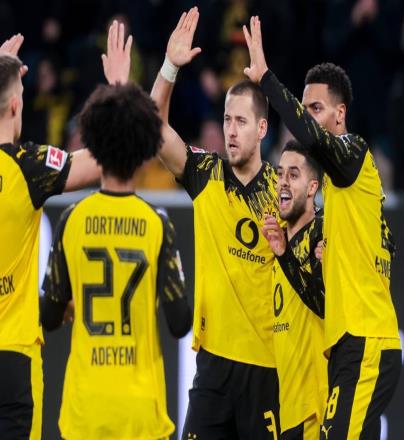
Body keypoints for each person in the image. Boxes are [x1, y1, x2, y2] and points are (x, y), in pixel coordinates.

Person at [0, 34, 100, 440]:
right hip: (14, 358)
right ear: (14, 105)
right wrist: (116, 92)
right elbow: (100, 161)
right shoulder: (26, 166)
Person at [244, 16, 401, 439]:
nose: (309, 117)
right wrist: (289, 258)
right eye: (306, 108)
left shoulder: (354, 151)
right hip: (350, 341)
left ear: (340, 113)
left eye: (316, 109)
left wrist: (266, 80)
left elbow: (312, 139)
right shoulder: (343, 197)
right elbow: (381, 249)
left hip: (366, 338)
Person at [40, 21, 192, 439]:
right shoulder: (156, 224)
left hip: (85, 411)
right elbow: (180, 321)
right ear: (143, 152)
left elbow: (48, 316)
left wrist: (71, 305)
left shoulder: (72, 220)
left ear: (93, 145)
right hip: (140, 412)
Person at [138, 7, 280, 438]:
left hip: (268, 367)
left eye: (241, 122)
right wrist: (169, 67)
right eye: (226, 120)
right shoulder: (207, 175)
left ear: (262, 128)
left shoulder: (284, 192)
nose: (231, 131)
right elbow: (154, 129)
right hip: (214, 366)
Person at [262, 140, 327, 439]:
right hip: (288, 408)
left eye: (293, 174)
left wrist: (284, 254)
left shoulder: (322, 233)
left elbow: (324, 303)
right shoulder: (279, 242)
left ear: (312, 187)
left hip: (315, 407)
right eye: (279, 174)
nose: (283, 182)